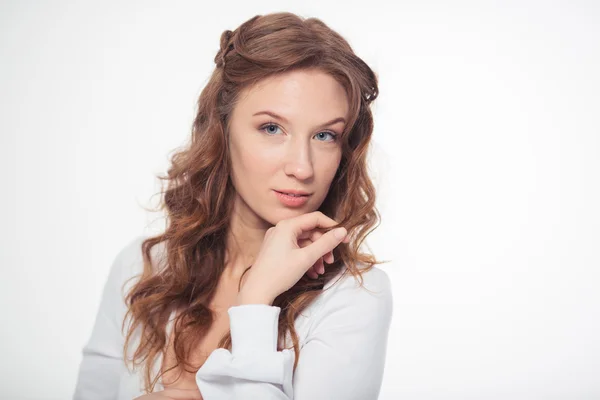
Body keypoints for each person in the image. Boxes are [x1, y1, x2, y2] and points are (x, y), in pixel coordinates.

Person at [73, 11, 393, 400]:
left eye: (325, 135)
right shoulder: (145, 266)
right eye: (272, 128)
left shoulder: (355, 295)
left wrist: (256, 301)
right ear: (221, 130)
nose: (301, 167)